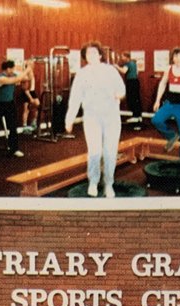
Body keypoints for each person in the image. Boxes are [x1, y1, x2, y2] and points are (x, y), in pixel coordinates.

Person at [65, 41, 126, 198]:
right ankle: (93, 182)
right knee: (95, 152)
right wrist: (69, 118)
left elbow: (121, 89)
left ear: (100, 55)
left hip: (111, 117)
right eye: (88, 53)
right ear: (85, 56)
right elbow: (75, 97)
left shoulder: (110, 70)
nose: (91, 55)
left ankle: (108, 183)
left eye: (94, 52)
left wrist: (118, 94)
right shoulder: (82, 73)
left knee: (110, 153)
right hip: (92, 117)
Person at [0, 60, 32, 158]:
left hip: (9, 104)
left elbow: (28, 78)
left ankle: (14, 149)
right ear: (8, 69)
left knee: (13, 127)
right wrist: (27, 69)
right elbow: (15, 80)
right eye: (13, 68)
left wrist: (29, 68)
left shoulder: (13, 74)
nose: (14, 70)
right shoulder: (1, 78)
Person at [116, 52, 142, 125]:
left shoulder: (127, 64)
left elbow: (124, 71)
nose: (122, 58)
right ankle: (138, 116)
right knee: (137, 99)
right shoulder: (134, 63)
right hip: (136, 81)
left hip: (131, 82)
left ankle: (135, 116)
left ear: (126, 57)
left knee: (132, 99)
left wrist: (116, 66)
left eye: (123, 57)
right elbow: (137, 72)